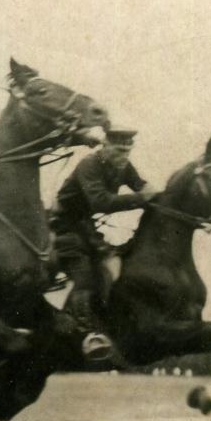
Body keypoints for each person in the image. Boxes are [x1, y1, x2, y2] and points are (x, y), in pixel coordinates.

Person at [49, 128, 159, 357]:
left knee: (113, 268)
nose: (124, 156)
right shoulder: (89, 164)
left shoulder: (123, 166)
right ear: (105, 145)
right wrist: (142, 200)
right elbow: (100, 202)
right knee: (85, 275)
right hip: (63, 226)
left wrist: (163, 199)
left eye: (128, 151)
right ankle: (88, 334)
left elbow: (143, 186)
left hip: (87, 228)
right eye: (119, 150)